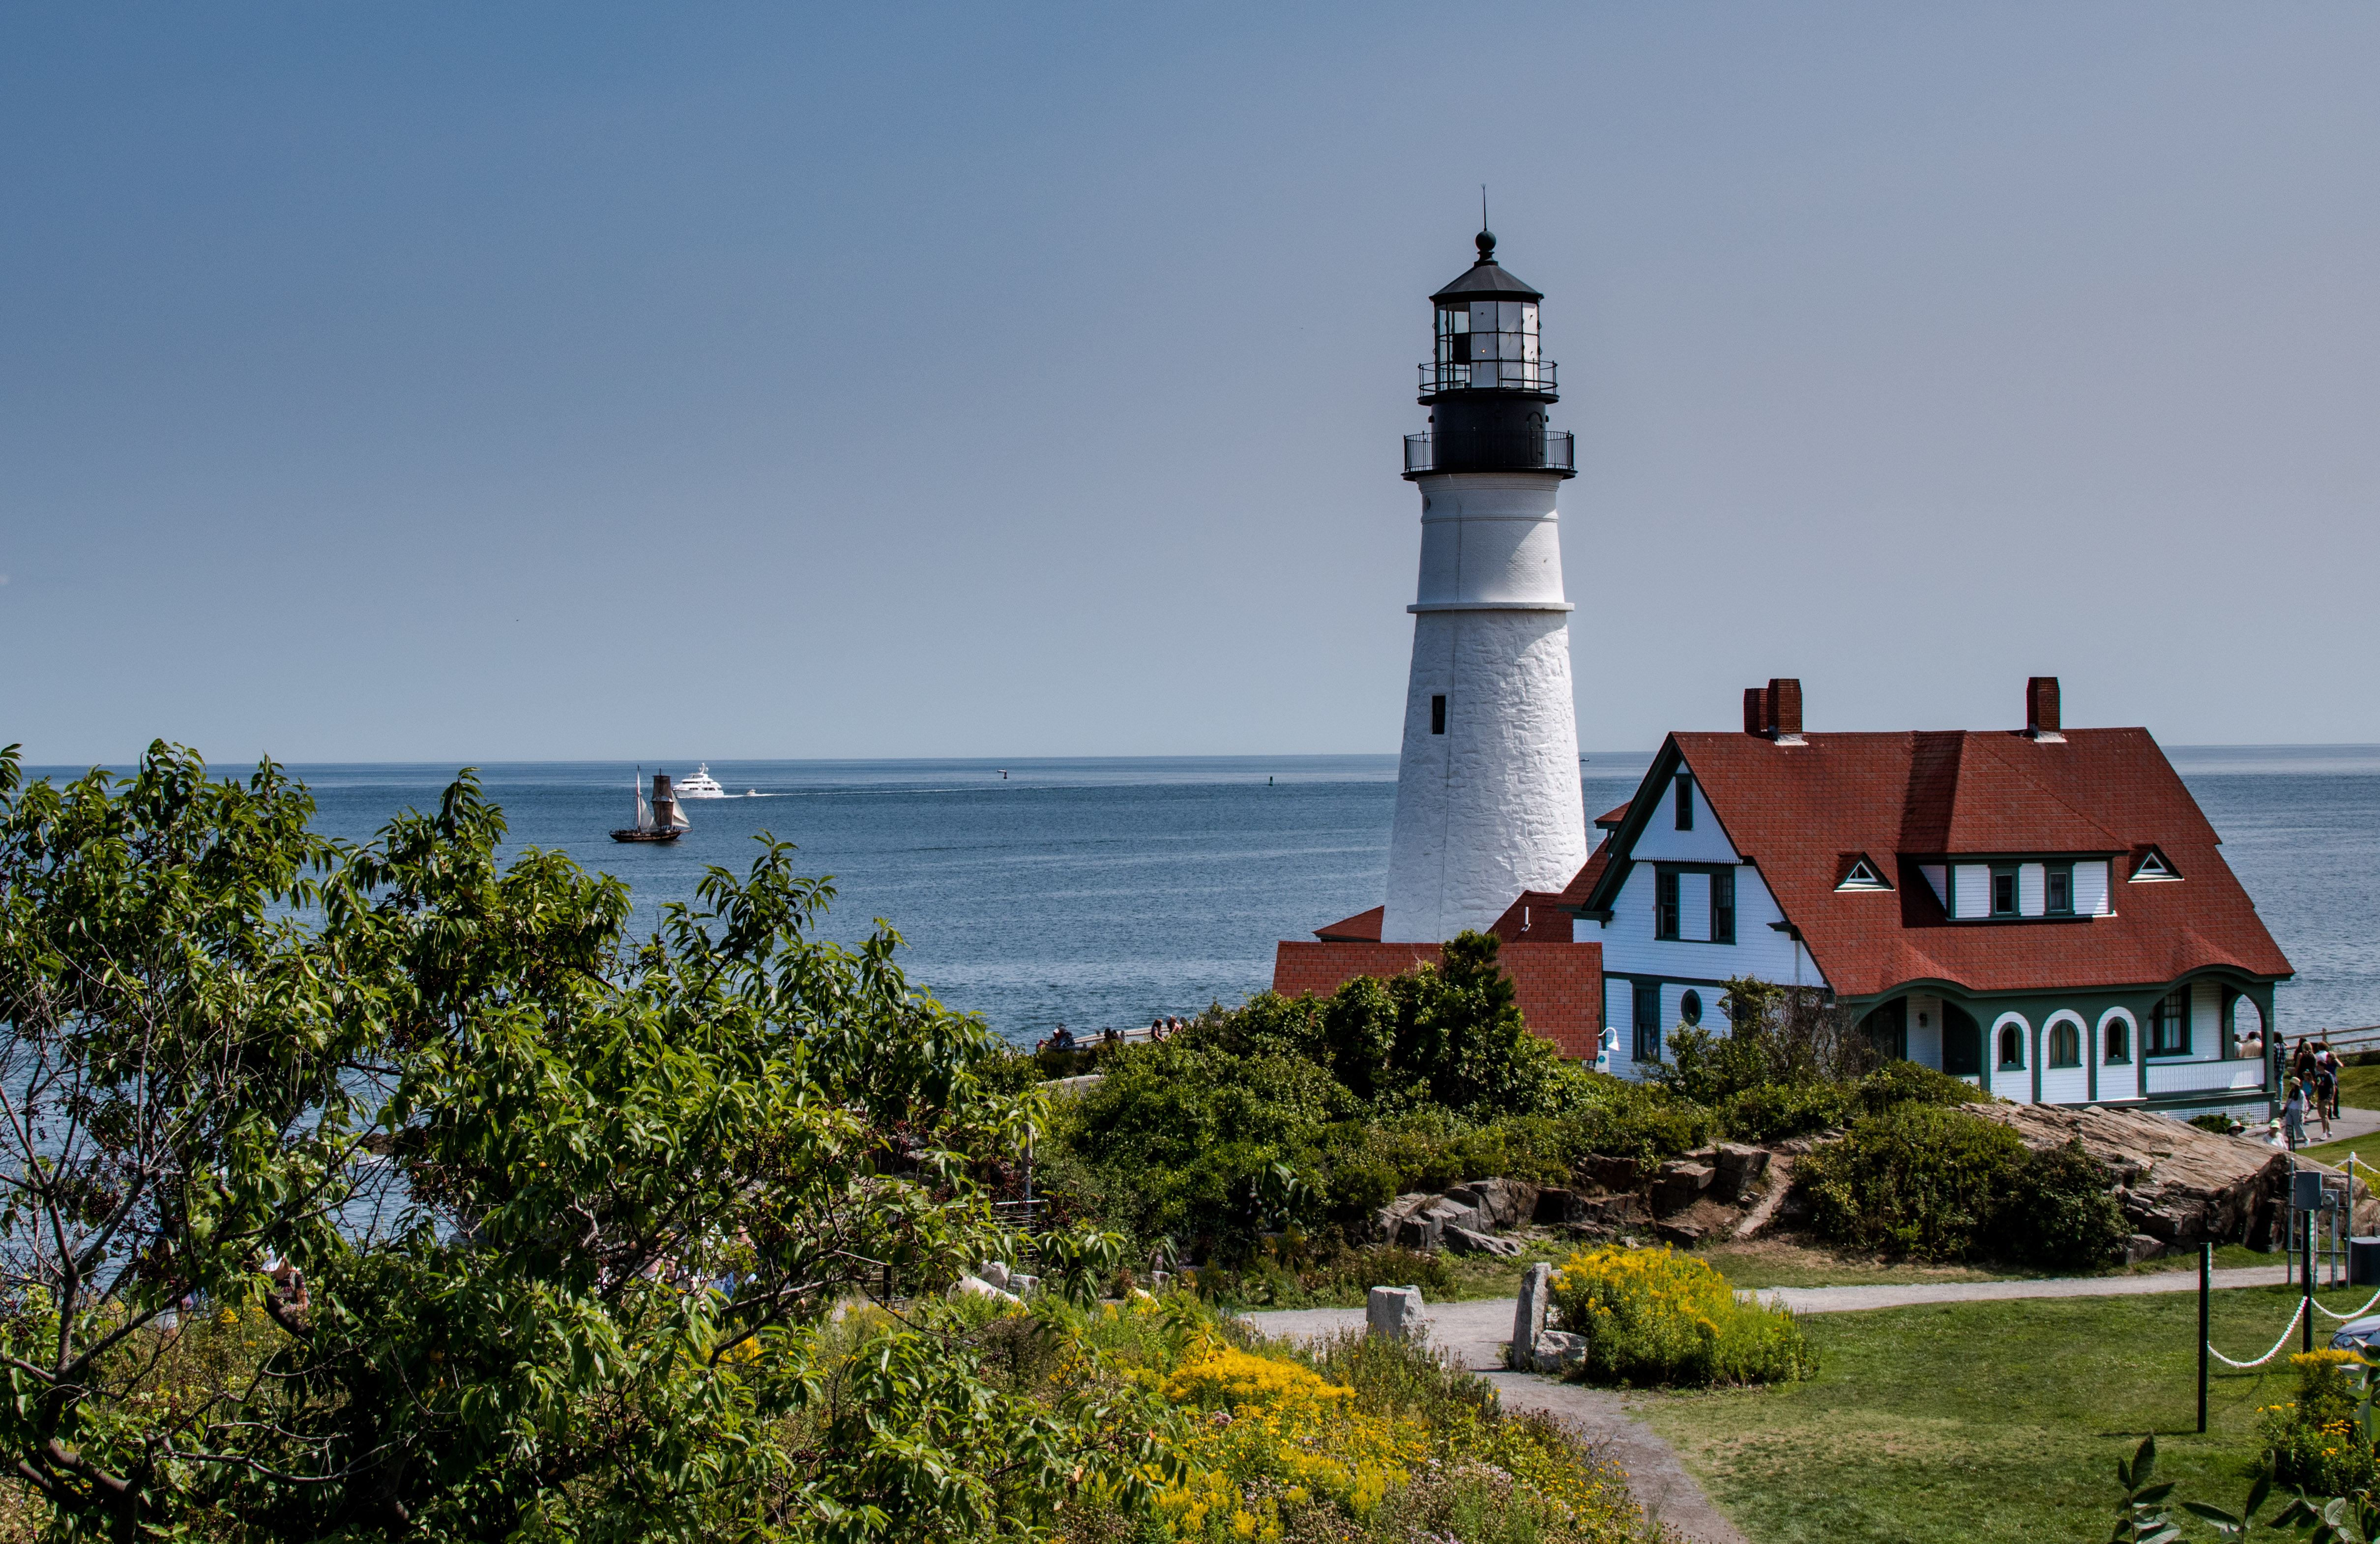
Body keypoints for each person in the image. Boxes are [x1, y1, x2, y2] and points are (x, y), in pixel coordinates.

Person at [2283, 1077, 2307, 1151]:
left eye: (2293, 1084)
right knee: (2289, 1127)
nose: (2291, 1086)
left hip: (2297, 1111)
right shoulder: (2291, 1092)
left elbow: (2302, 1104)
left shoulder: (2301, 1093)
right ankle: (2291, 1143)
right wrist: (2285, 1108)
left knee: (2298, 1127)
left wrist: (2301, 1114)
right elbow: (2288, 1101)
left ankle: (2306, 1139)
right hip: (2290, 1110)